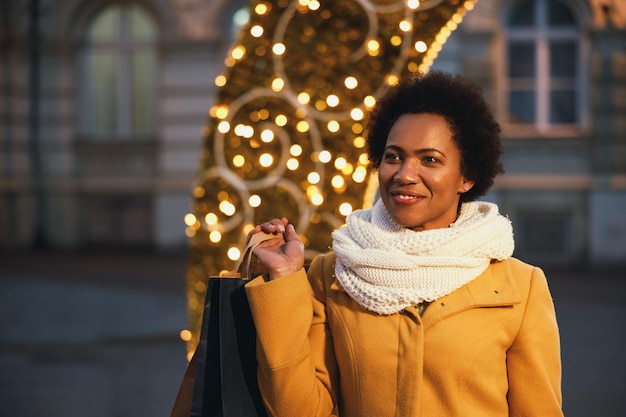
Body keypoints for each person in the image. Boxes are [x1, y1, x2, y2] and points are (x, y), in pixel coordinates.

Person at [244, 70, 563, 417]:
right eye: (394, 156)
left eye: (429, 160)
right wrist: (283, 280)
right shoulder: (332, 273)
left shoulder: (521, 286)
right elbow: (298, 410)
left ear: (467, 176)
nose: (404, 174)